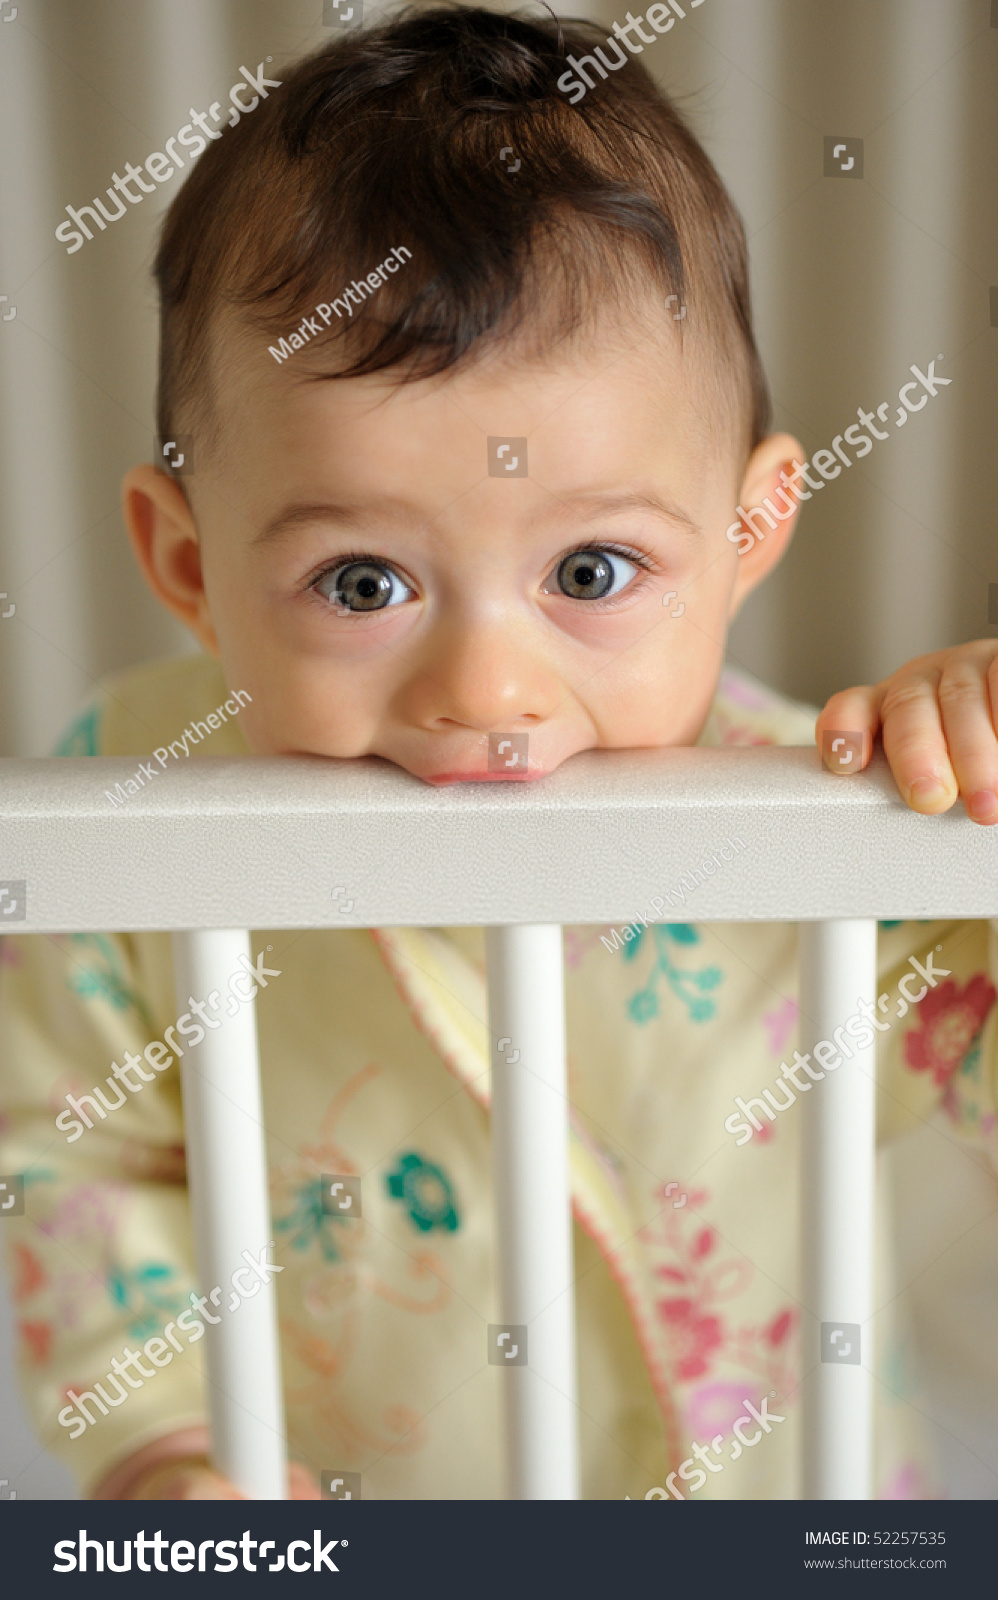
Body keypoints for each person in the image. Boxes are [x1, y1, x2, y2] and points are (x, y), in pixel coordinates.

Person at [1, 7, 995, 1501]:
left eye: (590, 572)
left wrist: (976, 784)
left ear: (745, 530)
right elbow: (69, 1158)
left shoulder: (833, 812)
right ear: (188, 561)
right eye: (362, 584)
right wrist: (167, 1454)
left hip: (792, 1508)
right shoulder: (131, 806)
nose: (482, 686)